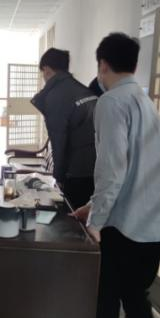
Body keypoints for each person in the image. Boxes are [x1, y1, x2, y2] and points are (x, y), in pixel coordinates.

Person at [71, 33, 160, 318]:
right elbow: (135, 169)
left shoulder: (111, 102)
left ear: (103, 65)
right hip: (158, 224)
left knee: (107, 293)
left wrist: (96, 223)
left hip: (130, 228)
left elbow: (113, 169)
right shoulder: (144, 100)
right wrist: (92, 206)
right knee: (135, 298)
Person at [31, 48, 98, 209]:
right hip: (96, 167)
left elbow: (58, 140)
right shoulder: (82, 89)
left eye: (43, 73)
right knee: (86, 215)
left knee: (72, 216)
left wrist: (58, 177)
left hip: (76, 172)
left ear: (47, 69)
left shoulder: (56, 96)